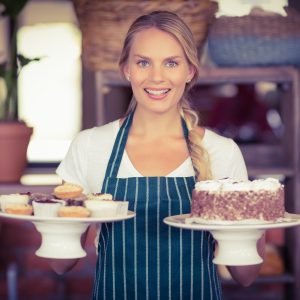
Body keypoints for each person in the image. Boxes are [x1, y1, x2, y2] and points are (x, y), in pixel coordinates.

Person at [50, 10, 265, 300]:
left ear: (189, 71)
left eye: (171, 63)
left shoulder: (221, 152)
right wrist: (54, 222)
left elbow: (246, 275)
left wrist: (255, 219)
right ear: (126, 68)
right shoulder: (90, 146)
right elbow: (62, 264)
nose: (156, 77)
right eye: (143, 62)